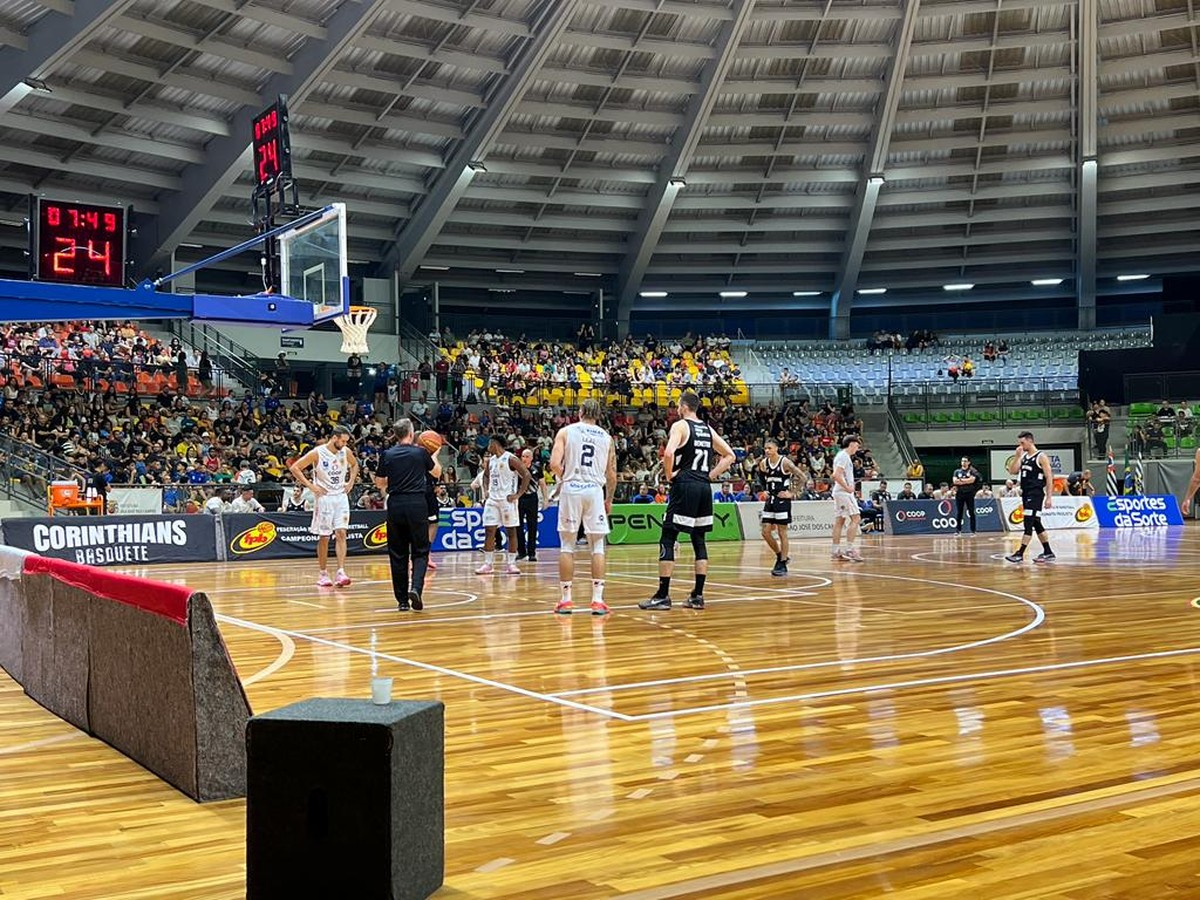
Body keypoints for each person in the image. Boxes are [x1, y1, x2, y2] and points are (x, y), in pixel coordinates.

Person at [639, 390, 735, 611]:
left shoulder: (680, 426)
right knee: (699, 540)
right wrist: (710, 476)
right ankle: (698, 596)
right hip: (703, 487)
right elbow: (730, 455)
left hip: (685, 484)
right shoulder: (707, 428)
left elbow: (669, 453)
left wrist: (670, 474)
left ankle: (663, 595)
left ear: (683, 406)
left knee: (668, 536)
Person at [549, 398, 617, 615]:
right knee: (597, 546)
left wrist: (567, 477)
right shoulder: (606, 438)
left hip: (572, 489)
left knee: (567, 545)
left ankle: (566, 599)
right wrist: (609, 499)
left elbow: (553, 464)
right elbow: (612, 474)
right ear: (598, 415)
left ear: (580, 412)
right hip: (595, 490)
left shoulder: (566, 431)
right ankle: (598, 600)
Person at [375, 418, 441, 611]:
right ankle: (416, 589)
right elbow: (436, 473)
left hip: (395, 504)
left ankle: (402, 601)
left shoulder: (387, 454)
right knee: (420, 551)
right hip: (417, 504)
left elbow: (379, 483)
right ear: (411, 434)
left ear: (396, 434)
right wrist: (434, 454)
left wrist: (397, 478)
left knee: (398, 553)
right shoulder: (420, 452)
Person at [288, 425, 359, 587]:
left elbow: (355, 465)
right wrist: (311, 486)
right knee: (325, 537)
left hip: (341, 496)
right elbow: (295, 468)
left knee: (341, 533)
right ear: (334, 438)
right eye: (343, 441)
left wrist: (351, 481)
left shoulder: (345, 452)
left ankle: (341, 571)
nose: (345, 444)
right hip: (324, 498)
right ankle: (323, 573)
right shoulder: (317, 453)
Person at [475, 436, 531, 575]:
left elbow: (526, 474)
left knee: (511, 532)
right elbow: (486, 476)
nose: (488, 446)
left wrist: (518, 494)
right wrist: (486, 489)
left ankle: (511, 564)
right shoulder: (490, 461)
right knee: (489, 531)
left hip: (507, 500)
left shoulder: (511, 459)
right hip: (493, 500)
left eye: (489, 443)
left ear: (495, 443)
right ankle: (488, 564)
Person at [1005, 430, 1056, 564]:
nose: (1020, 445)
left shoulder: (1041, 456)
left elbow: (1050, 477)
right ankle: (1048, 552)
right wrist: (1017, 456)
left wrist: (1049, 497)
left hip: (1036, 494)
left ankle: (1020, 553)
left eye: (1022, 443)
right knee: (1036, 523)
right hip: (1026, 493)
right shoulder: (1024, 456)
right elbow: (1013, 471)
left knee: (1028, 523)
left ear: (1030, 441)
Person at [758, 439, 802, 577]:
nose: (767, 451)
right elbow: (760, 478)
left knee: (782, 532)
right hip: (770, 500)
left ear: (776, 448)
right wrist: (763, 490)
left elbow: (802, 477)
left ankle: (782, 562)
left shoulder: (785, 462)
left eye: (769, 448)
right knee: (765, 532)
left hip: (782, 501)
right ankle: (780, 555)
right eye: (765, 448)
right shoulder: (763, 463)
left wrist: (792, 493)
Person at [831, 435, 864, 562]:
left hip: (840, 492)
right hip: (844, 493)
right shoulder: (844, 456)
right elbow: (836, 475)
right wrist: (848, 487)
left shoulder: (842, 456)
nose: (857, 447)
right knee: (856, 518)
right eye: (856, 445)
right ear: (851, 444)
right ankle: (849, 549)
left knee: (839, 520)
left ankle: (835, 551)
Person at [516, 447, 544, 562]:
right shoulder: (517, 468)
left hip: (532, 498)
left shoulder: (537, 467)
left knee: (532, 526)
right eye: (523, 456)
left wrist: (546, 498)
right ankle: (521, 552)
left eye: (527, 456)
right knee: (518, 526)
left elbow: (542, 483)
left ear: (531, 458)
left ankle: (532, 553)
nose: (525, 458)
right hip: (520, 498)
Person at [952, 456, 981, 535]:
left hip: (969, 494)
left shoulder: (972, 471)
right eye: (962, 461)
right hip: (960, 494)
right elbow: (955, 481)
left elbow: (972, 480)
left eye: (965, 461)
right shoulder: (957, 471)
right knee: (959, 512)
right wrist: (966, 481)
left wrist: (961, 480)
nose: (963, 463)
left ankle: (973, 530)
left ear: (968, 462)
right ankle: (958, 530)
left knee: (971, 511)